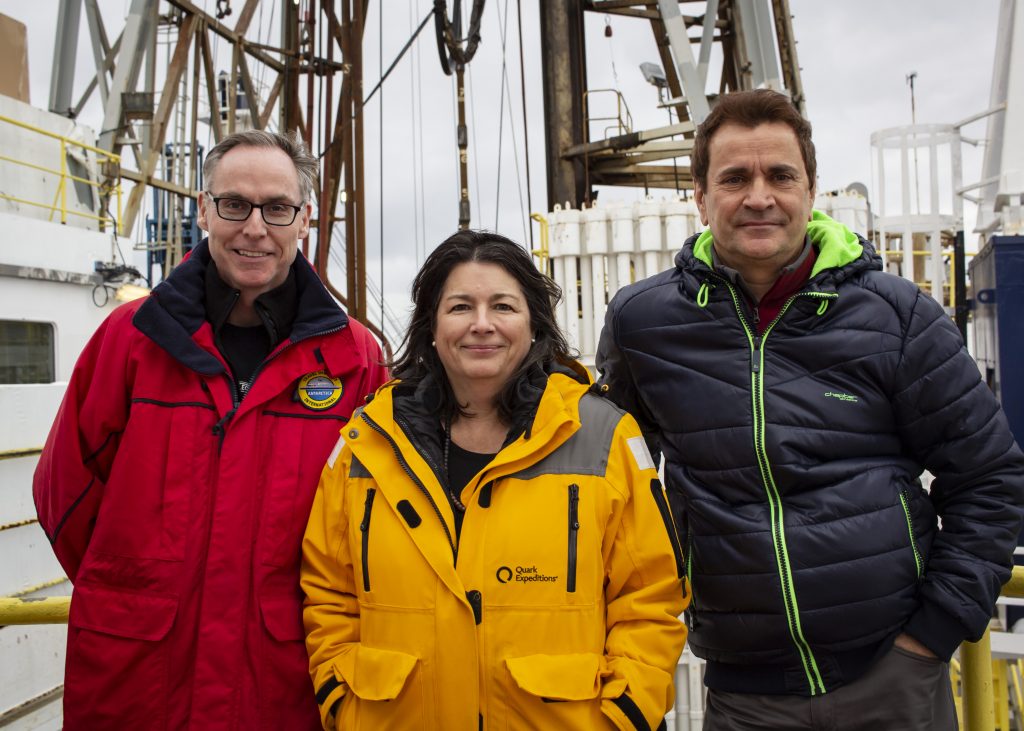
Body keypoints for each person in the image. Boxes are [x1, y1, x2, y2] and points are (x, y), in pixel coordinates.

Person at [597, 89, 1024, 730]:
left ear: (810, 187)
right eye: (735, 178)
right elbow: (606, 479)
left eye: (780, 176)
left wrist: (931, 636)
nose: (759, 196)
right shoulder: (644, 324)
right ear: (701, 196)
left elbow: (989, 479)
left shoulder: (897, 316)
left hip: (892, 677)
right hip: (744, 692)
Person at [33, 129, 388, 729]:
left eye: (277, 208)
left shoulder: (353, 359)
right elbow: (63, 492)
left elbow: (373, 525)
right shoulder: (132, 339)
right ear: (203, 209)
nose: (255, 228)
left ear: (305, 219)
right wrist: (134, 589)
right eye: (234, 205)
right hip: (139, 675)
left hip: (281, 679)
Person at [301, 230, 687, 730]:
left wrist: (620, 717)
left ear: (533, 326)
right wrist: (342, 700)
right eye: (460, 307)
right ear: (432, 327)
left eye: (503, 306)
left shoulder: (604, 437)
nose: (482, 325)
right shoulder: (367, 444)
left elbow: (650, 597)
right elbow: (328, 590)